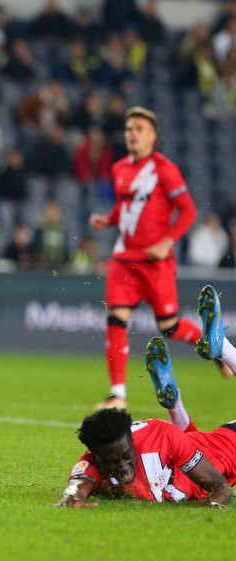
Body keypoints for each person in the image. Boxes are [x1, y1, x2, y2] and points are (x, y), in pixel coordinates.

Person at [57, 286, 236, 508]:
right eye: (112, 462)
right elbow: (77, 484)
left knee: (185, 445)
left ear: (132, 441)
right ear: (96, 456)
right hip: (191, 447)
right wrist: (70, 497)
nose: (123, 467)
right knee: (186, 443)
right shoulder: (93, 459)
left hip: (223, 449)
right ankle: (176, 401)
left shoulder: (160, 434)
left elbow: (221, 488)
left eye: (125, 456)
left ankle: (223, 349)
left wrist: (211, 506)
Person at [89, 107, 201, 410]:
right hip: (124, 261)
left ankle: (216, 349)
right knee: (115, 321)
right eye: (129, 129)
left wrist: (168, 241)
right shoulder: (119, 168)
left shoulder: (164, 169)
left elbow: (188, 210)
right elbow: (126, 207)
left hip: (155, 263)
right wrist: (107, 220)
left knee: (171, 327)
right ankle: (118, 394)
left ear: (152, 136)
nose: (133, 134)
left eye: (139, 128)